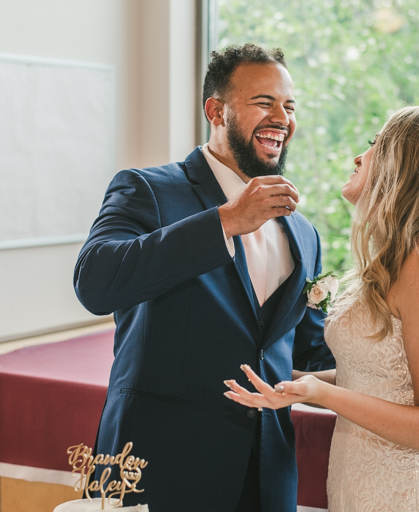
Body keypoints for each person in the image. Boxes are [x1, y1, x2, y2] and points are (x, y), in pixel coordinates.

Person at [73, 44, 335, 512]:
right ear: (216, 110)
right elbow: (95, 282)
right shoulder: (146, 189)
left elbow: (307, 349)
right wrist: (225, 221)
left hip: (266, 473)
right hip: (157, 464)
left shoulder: (304, 233)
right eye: (264, 103)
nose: (282, 117)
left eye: (289, 106)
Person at [226, 106, 419, 510]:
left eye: (376, 144)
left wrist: (319, 392)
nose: (361, 156)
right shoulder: (412, 255)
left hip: (416, 493)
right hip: (375, 484)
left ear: (408, 166)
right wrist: (295, 381)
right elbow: (382, 379)